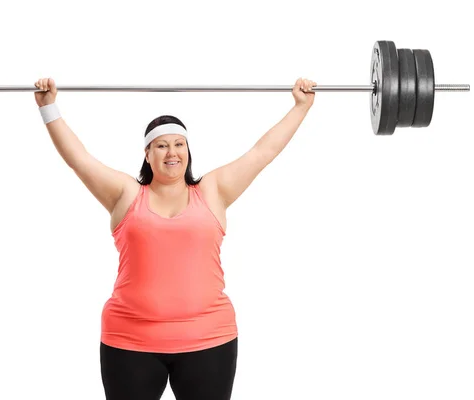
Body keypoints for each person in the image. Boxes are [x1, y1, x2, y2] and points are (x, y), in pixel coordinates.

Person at [33, 77, 316, 400]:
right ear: (147, 153)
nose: (172, 152)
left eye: (179, 144)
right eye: (162, 145)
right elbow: (79, 159)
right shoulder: (125, 194)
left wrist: (300, 107)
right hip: (129, 340)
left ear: (188, 150)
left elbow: (262, 152)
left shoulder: (213, 191)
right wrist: (48, 108)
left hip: (209, 338)